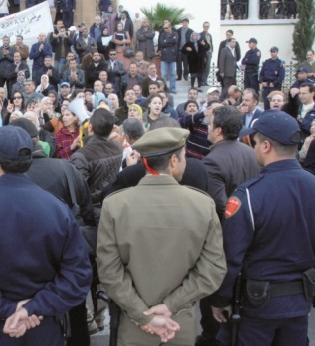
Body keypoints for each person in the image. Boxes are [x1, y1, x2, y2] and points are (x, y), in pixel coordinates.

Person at [0, 125, 92, 345]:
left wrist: (12, 310)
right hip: (42, 324)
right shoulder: (57, 209)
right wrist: (30, 309)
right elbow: (77, 276)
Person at [98, 127, 227, 345]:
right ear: (174, 162)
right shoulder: (203, 204)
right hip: (178, 324)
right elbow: (213, 269)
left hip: (133, 325)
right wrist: (171, 306)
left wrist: (141, 314)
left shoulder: (115, 205)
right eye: (184, 156)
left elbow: (109, 272)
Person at [210, 110, 315, 346]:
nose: (253, 147)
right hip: (299, 302)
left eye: (254, 142)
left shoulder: (248, 194)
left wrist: (220, 299)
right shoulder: (312, 185)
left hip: (258, 305)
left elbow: (232, 257)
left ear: (266, 146)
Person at [196, 105, 261, 345]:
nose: (207, 128)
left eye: (210, 124)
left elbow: (221, 207)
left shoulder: (212, 161)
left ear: (219, 130)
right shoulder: (250, 152)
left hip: (225, 244)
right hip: (254, 239)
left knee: (215, 314)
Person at [157, 19, 179, 94]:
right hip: (164, 56)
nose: (165, 29)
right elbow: (162, 43)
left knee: (173, 74)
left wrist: (167, 41)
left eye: (166, 28)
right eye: (164, 28)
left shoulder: (175, 33)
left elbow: (175, 41)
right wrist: (169, 42)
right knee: (164, 74)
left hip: (172, 56)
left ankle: (172, 88)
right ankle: (164, 89)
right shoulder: (162, 34)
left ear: (170, 27)